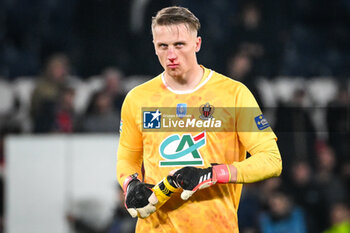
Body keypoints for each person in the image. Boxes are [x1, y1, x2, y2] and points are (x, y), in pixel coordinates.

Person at [116, 6, 282, 233]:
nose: (171, 55)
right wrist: (130, 184)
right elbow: (127, 159)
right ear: (154, 46)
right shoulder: (137, 98)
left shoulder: (233, 94)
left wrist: (212, 174)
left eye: (179, 45)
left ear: (197, 44)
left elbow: (272, 160)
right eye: (162, 46)